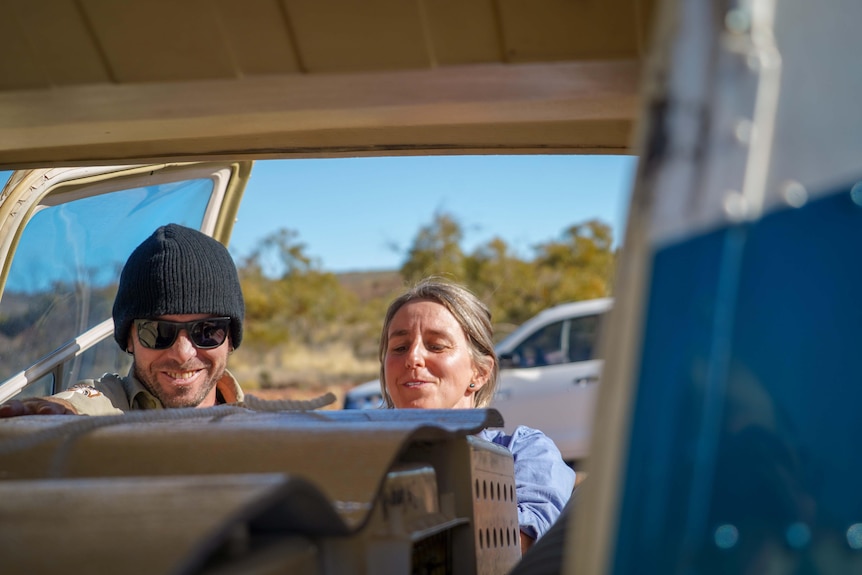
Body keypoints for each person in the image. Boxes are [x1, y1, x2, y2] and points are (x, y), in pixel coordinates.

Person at [378, 277, 576, 554]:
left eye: (436, 346)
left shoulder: (524, 452)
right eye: (399, 347)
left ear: (480, 372)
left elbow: (513, 551)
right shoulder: (358, 451)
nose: (413, 358)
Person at [0, 223, 246, 417]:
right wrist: (54, 412)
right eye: (158, 332)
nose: (182, 354)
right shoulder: (110, 404)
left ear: (231, 337)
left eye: (207, 331)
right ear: (129, 338)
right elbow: (83, 404)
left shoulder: (260, 425)